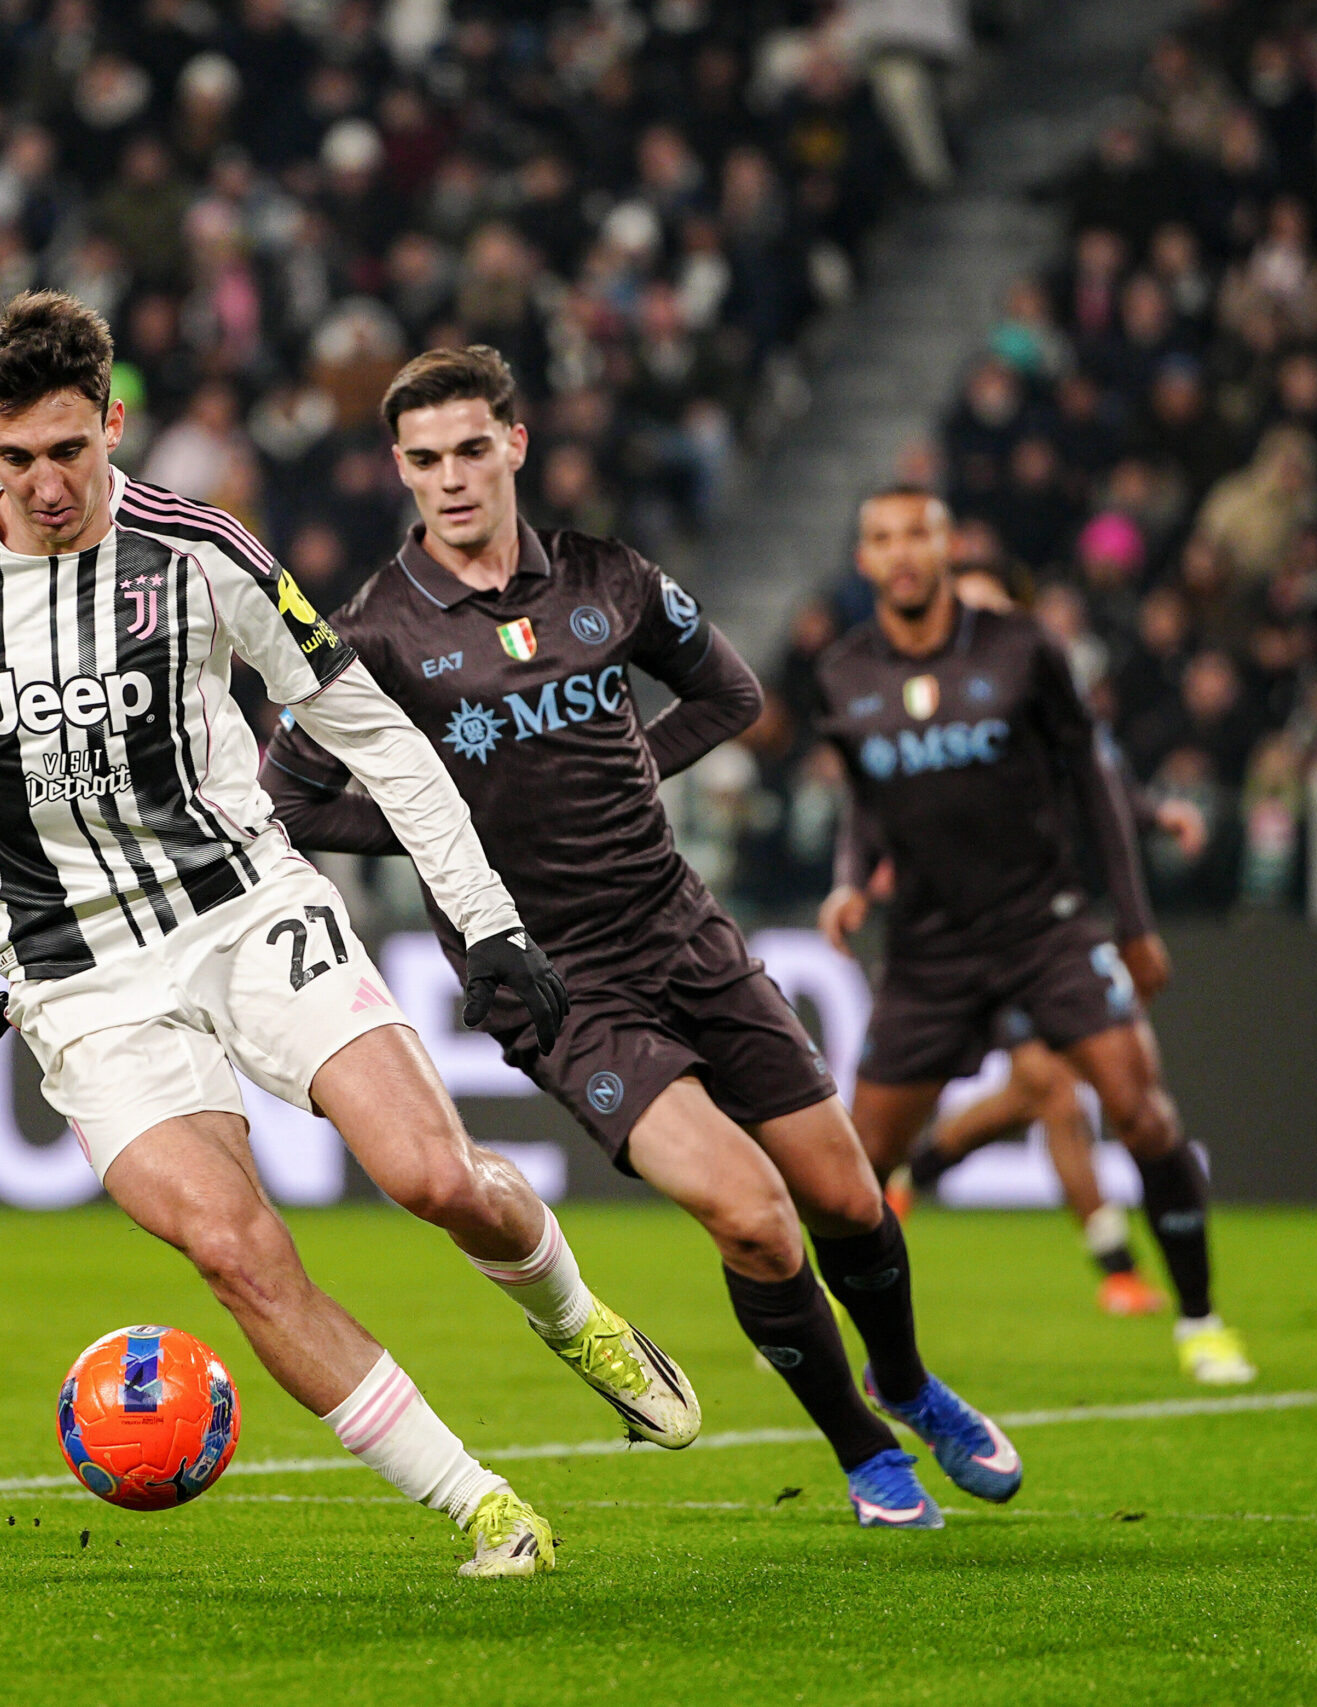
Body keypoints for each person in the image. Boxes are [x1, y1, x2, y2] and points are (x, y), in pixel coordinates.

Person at [0, 293, 698, 1580]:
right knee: (233, 1249)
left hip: (246, 909)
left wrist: (487, 922)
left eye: (70, 449)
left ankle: (574, 1317)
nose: (47, 485)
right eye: (17, 456)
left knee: (432, 1177)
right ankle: (482, 1508)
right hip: (76, 976)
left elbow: (375, 734)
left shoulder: (203, 552)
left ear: (112, 424)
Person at [263, 345, 1017, 1531]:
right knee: (753, 1217)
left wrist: (631, 771)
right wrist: (443, 835)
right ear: (398, 470)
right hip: (555, 978)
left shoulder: (608, 577)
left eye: (471, 450)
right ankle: (865, 1453)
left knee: (846, 1197)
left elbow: (730, 696)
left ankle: (906, 1380)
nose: (451, 478)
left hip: (677, 921)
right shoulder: (376, 632)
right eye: (425, 459)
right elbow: (292, 800)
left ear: (514, 446)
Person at [816, 487, 1255, 1384]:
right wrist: (851, 881)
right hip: (928, 948)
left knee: (1140, 1109)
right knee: (858, 1165)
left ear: (946, 547)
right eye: (884, 538)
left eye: (918, 534)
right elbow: (867, 796)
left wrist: (1134, 924)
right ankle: (853, 1339)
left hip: (1044, 926)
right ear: (865, 559)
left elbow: (1093, 775)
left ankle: (1201, 1319)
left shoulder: (1024, 649)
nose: (902, 552)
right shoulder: (844, 670)